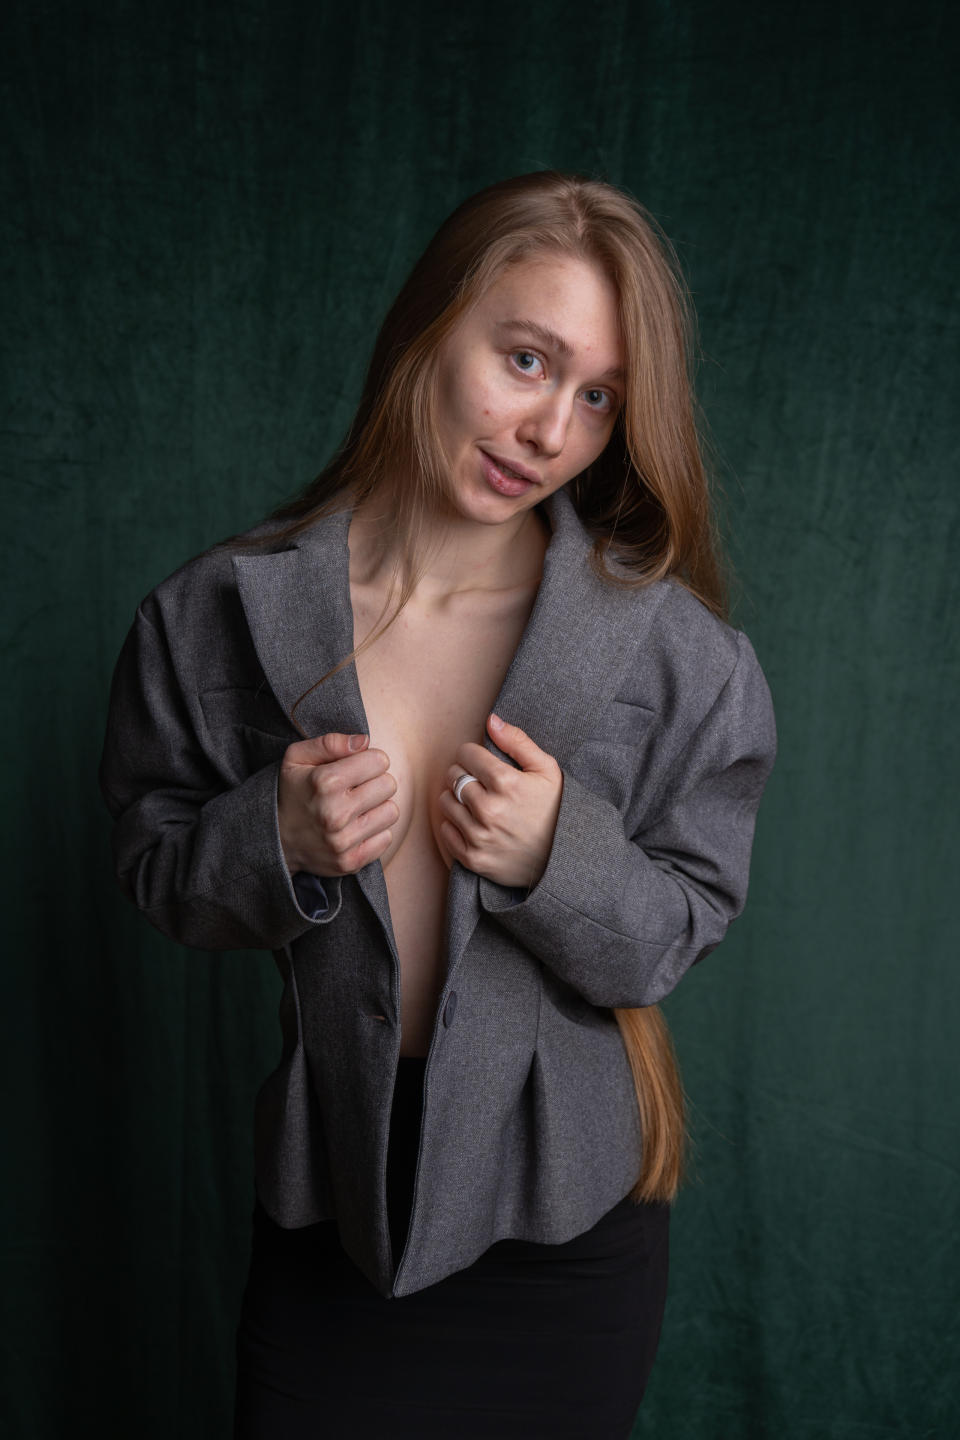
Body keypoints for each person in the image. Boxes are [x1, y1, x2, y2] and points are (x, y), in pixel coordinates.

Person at [99, 171, 777, 1439]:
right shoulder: (214, 613)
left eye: (599, 397)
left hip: (567, 1233)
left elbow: (680, 927)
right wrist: (271, 838)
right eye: (527, 360)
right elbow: (153, 862)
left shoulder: (680, 657)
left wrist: (556, 856)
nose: (551, 430)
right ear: (428, 327)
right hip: (328, 1208)